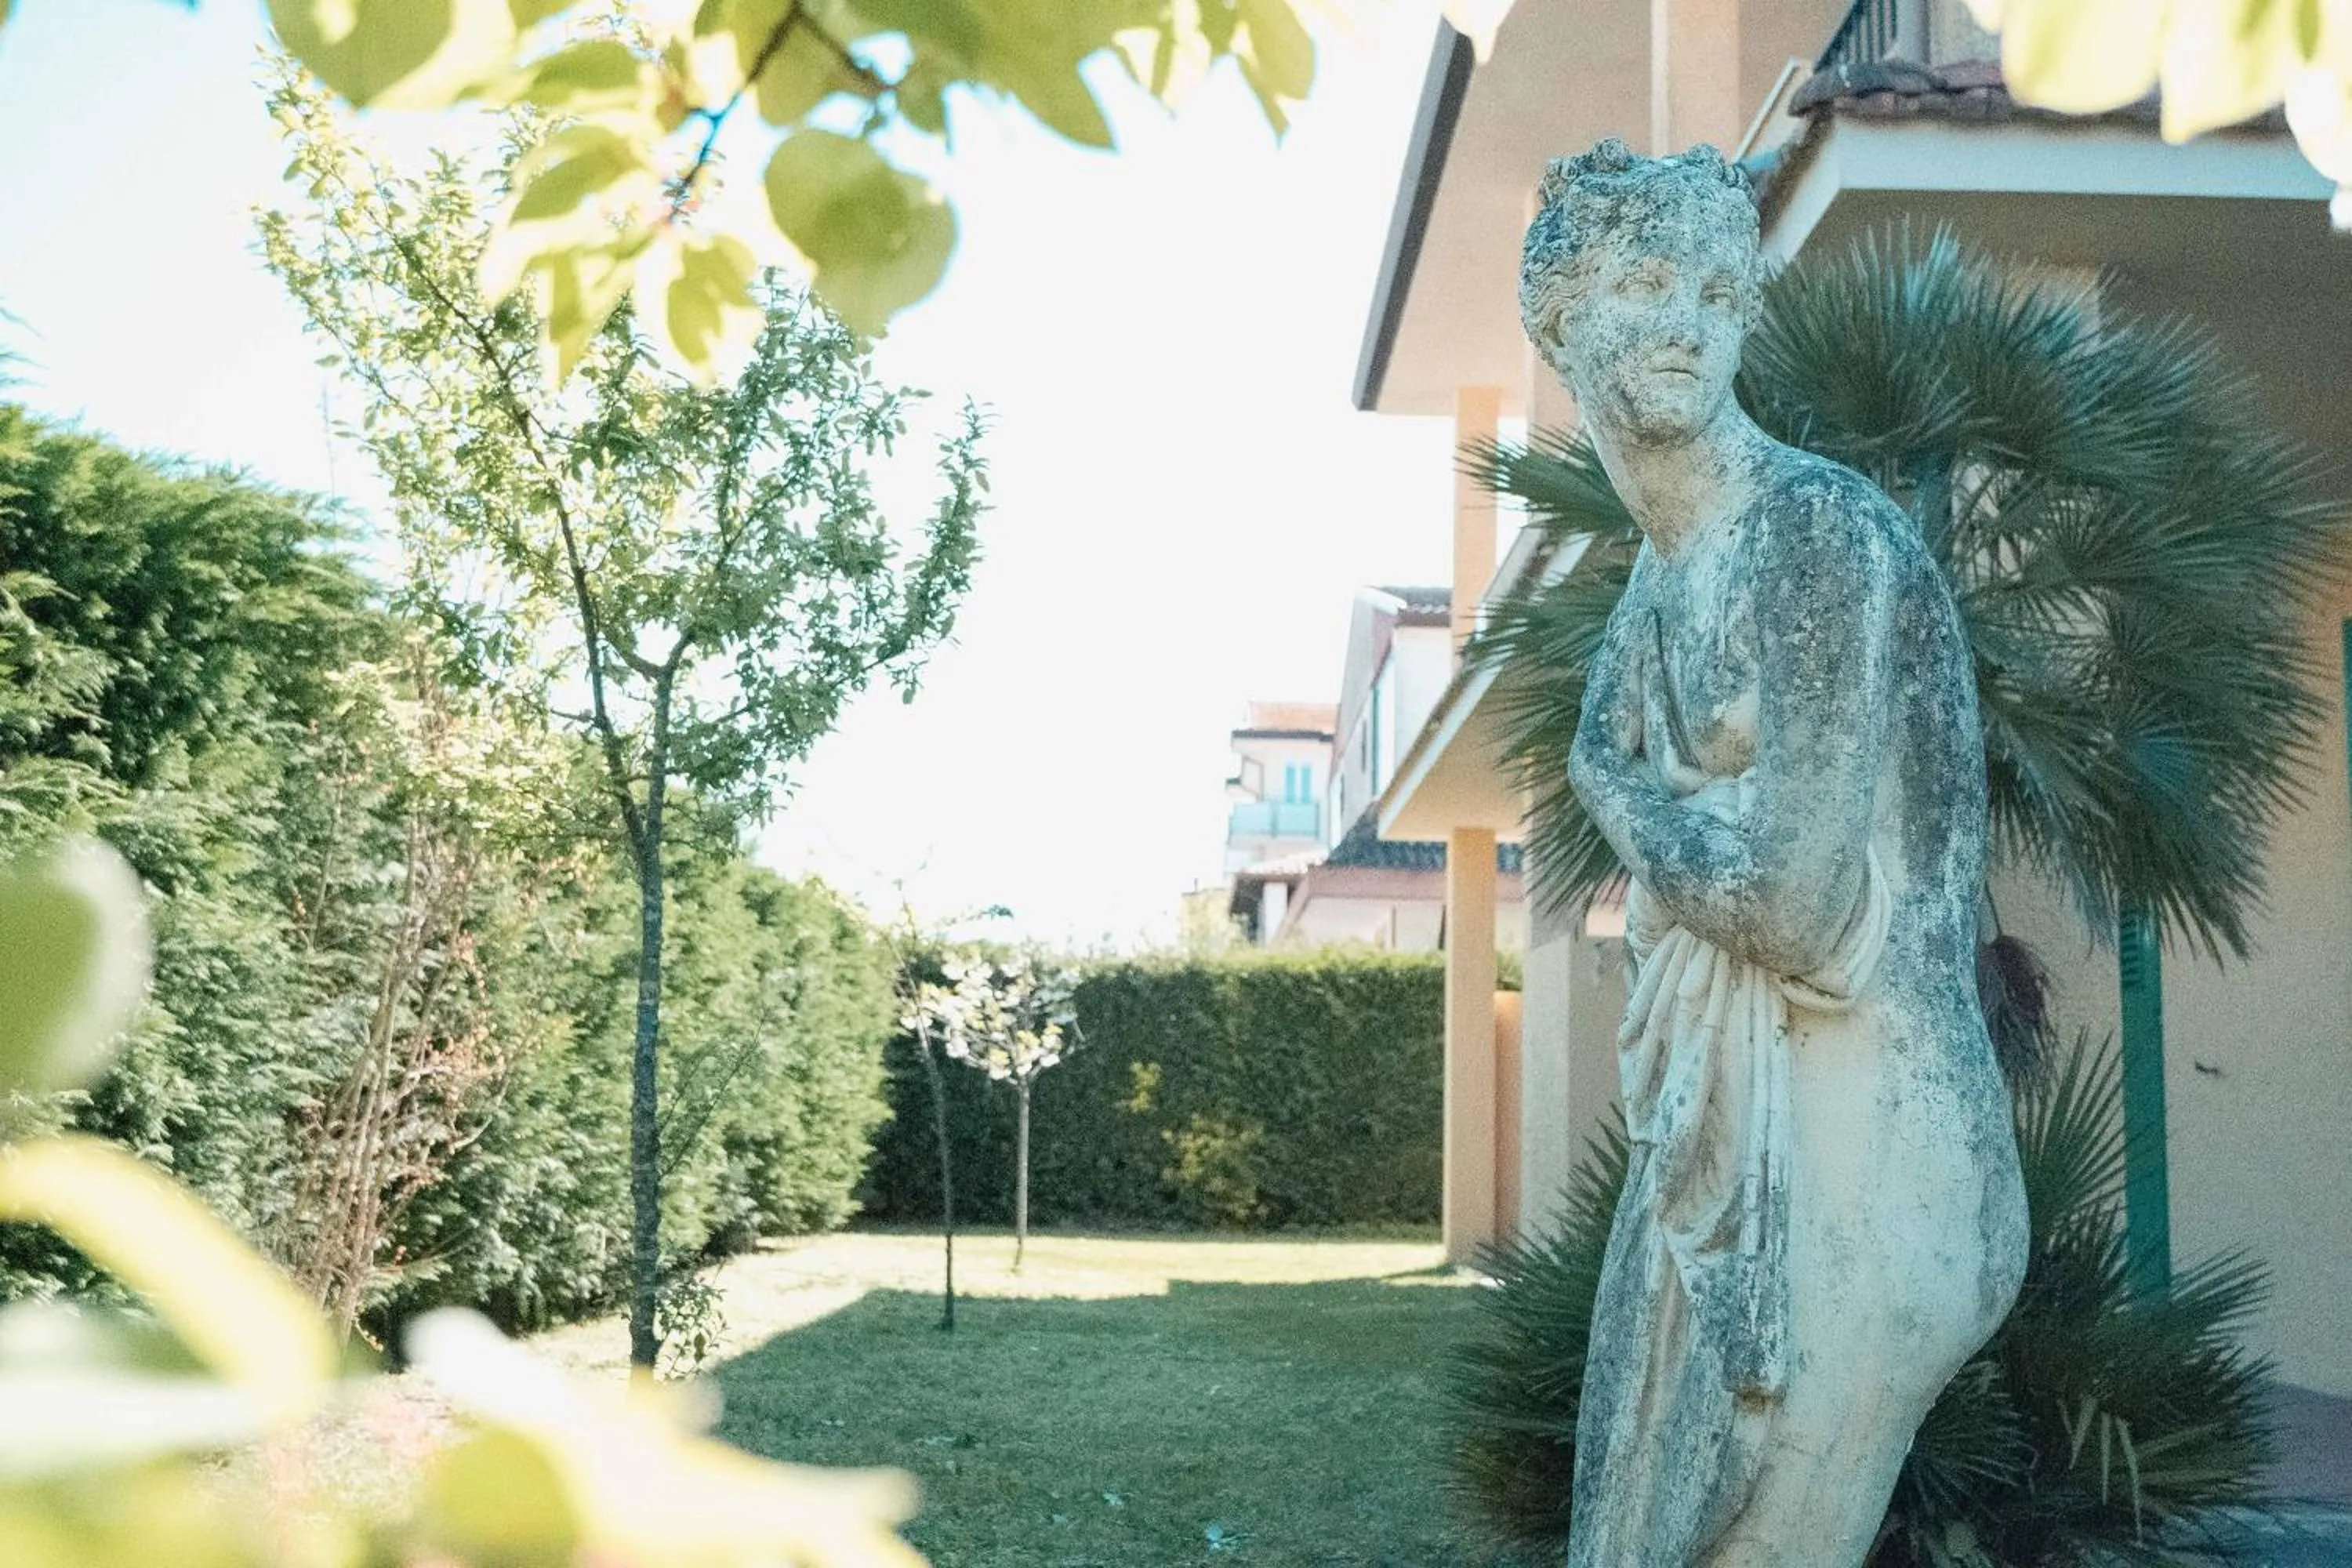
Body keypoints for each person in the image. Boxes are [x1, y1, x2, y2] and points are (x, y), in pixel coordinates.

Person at [1523, 139, 2030, 1566]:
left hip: (1867, 1164)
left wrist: (1615, 792)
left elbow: (1799, 910)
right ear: (1561, 320)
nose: (1683, 320)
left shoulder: (1812, 536)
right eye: (1639, 283)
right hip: (1730, 1132)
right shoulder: (1652, 593)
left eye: (1711, 288)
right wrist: (1634, 790)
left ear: (1747, 314)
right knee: (1626, 1529)